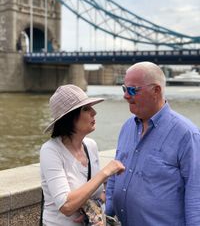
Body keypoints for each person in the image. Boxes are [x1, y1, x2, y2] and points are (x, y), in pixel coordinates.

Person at [105, 61, 200, 226]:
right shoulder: (127, 127)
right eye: (124, 89)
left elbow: (196, 196)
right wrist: (103, 212)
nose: (126, 96)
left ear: (156, 90)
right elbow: (115, 175)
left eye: (133, 90)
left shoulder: (187, 135)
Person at [40, 84, 125, 226]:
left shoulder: (91, 146)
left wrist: (91, 209)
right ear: (70, 117)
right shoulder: (50, 150)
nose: (94, 112)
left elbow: (99, 194)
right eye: (86, 109)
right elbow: (66, 206)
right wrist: (105, 173)